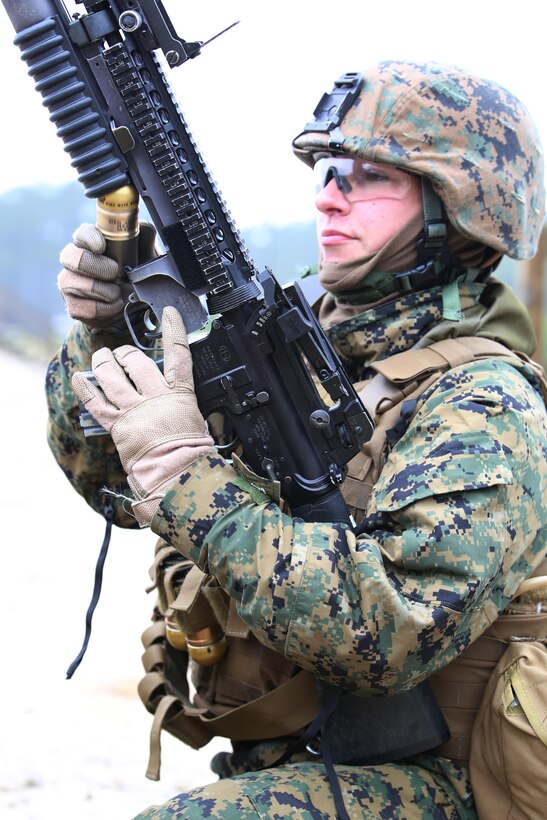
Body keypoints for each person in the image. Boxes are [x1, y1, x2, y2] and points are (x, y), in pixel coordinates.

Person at [47, 61, 547, 818]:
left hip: (451, 781)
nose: (329, 194)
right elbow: (107, 483)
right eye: (327, 169)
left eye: (367, 175)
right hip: (301, 754)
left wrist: (187, 475)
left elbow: (392, 632)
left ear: (457, 206)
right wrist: (105, 330)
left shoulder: (484, 404)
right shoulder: (300, 346)